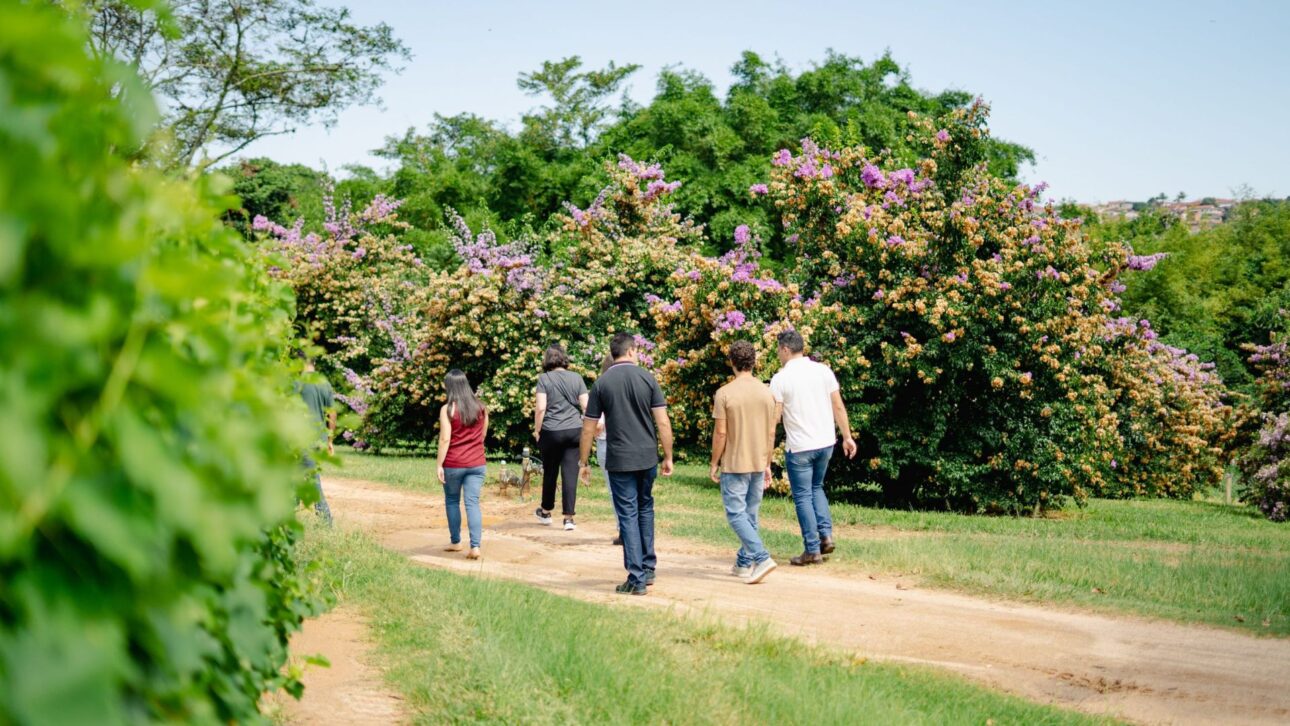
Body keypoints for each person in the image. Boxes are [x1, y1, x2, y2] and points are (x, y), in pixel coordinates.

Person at [579, 332, 674, 595]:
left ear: (613, 353)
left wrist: (583, 461)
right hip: (646, 457)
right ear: (631, 351)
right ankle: (648, 566)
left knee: (628, 514)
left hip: (619, 458)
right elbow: (663, 421)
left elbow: (588, 428)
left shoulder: (602, 383)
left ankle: (636, 577)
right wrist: (668, 455)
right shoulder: (648, 378)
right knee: (645, 508)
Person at [769, 330, 857, 566]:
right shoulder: (823, 370)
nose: (778, 354)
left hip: (800, 447)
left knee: (803, 496)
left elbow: (774, 419)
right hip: (826, 442)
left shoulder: (780, 379)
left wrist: (765, 449)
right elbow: (838, 406)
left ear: (786, 349)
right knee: (817, 487)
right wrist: (847, 437)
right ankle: (826, 535)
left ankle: (811, 549)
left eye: (778, 350)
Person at [709, 341, 778, 584]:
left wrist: (714, 462)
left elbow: (721, 433)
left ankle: (761, 557)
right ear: (754, 362)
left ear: (732, 362)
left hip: (736, 462)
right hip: (759, 461)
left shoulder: (725, 393)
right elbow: (771, 433)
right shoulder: (767, 393)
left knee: (736, 514)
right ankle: (743, 563)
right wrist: (768, 462)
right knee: (750, 514)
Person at [532, 345, 589, 531]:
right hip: (574, 430)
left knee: (550, 471)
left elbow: (541, 408)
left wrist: (537, 430)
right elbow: (586, 407)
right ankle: (569, 519)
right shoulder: (577, 378)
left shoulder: (544, 379)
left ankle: (546, 511)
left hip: (551, 431)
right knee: (570, 473)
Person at [436, 369, 488, 560]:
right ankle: (475, 547)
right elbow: (482, 435)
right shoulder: (481, 408)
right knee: (472, 503)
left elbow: (444, 439)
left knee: (452, 501)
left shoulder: (448, 409)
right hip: (477, 463)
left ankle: (456, 542)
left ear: (450, 386)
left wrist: (439, 465)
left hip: (454, 464)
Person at [297, 354, 336, 525]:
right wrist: (330, 440)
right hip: (319, 440)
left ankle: (326, 521)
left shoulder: (297, 384)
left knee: (311, 479)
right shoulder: (324, 383)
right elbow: (332, 413)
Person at [593, 353, 624, 546]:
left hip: (607, 442)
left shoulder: (602, 386)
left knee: (615, 489)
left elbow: (597, 424)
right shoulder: (632, 384)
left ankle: (623, 529)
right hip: (628, 442)